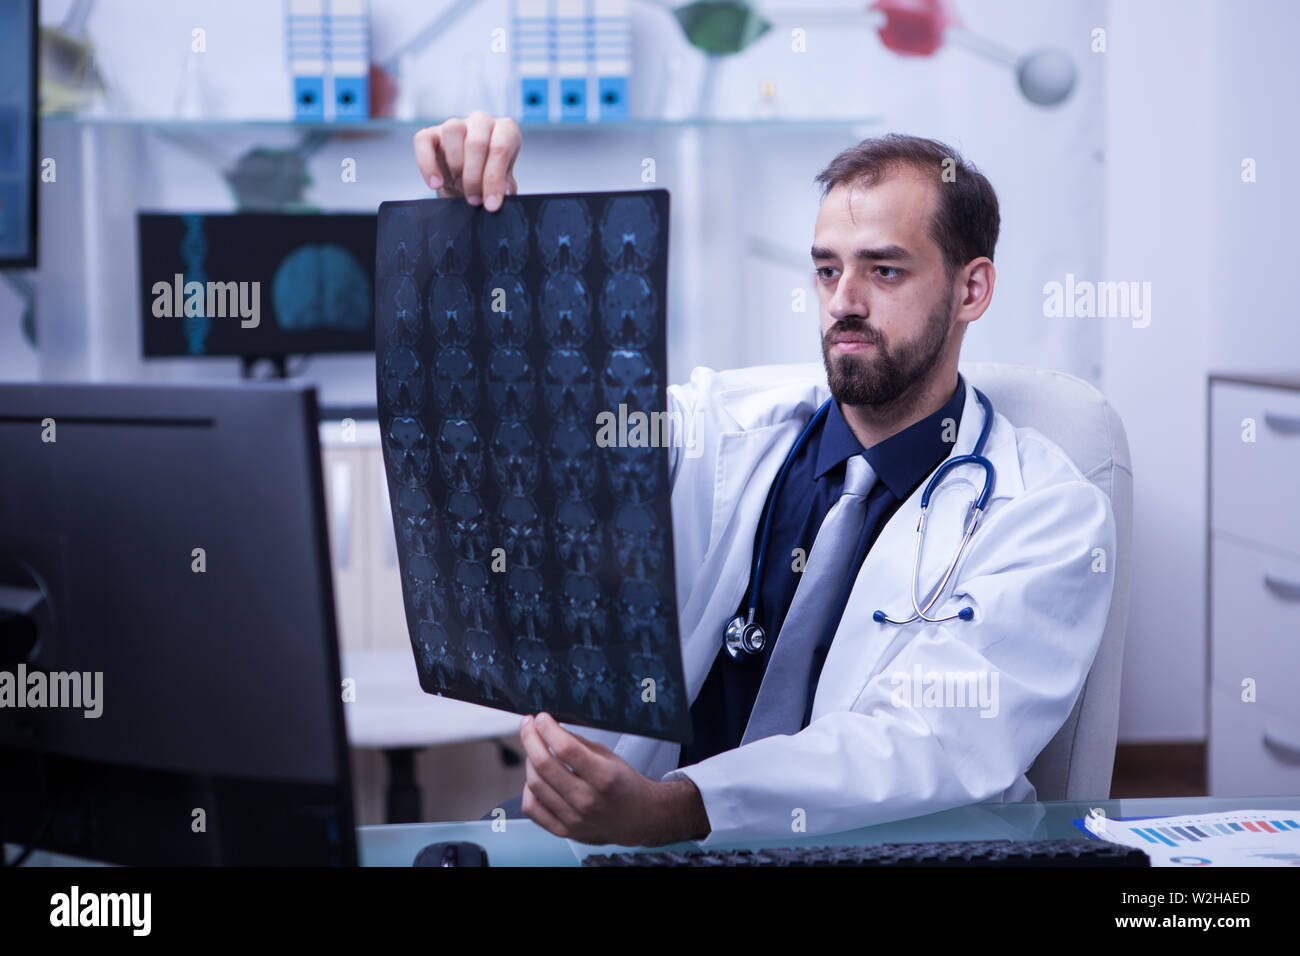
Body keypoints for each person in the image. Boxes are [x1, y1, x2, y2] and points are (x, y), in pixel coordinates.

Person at [412, 112, 1117, 848]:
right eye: (826, 268)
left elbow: (930, 741)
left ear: (972, 290)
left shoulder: (1047, 513)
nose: (844, 300)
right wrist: (481, 251)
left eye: (884, 269)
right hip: (650, 853)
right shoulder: (723, 427)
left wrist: (682, 807)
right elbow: (550, 446)